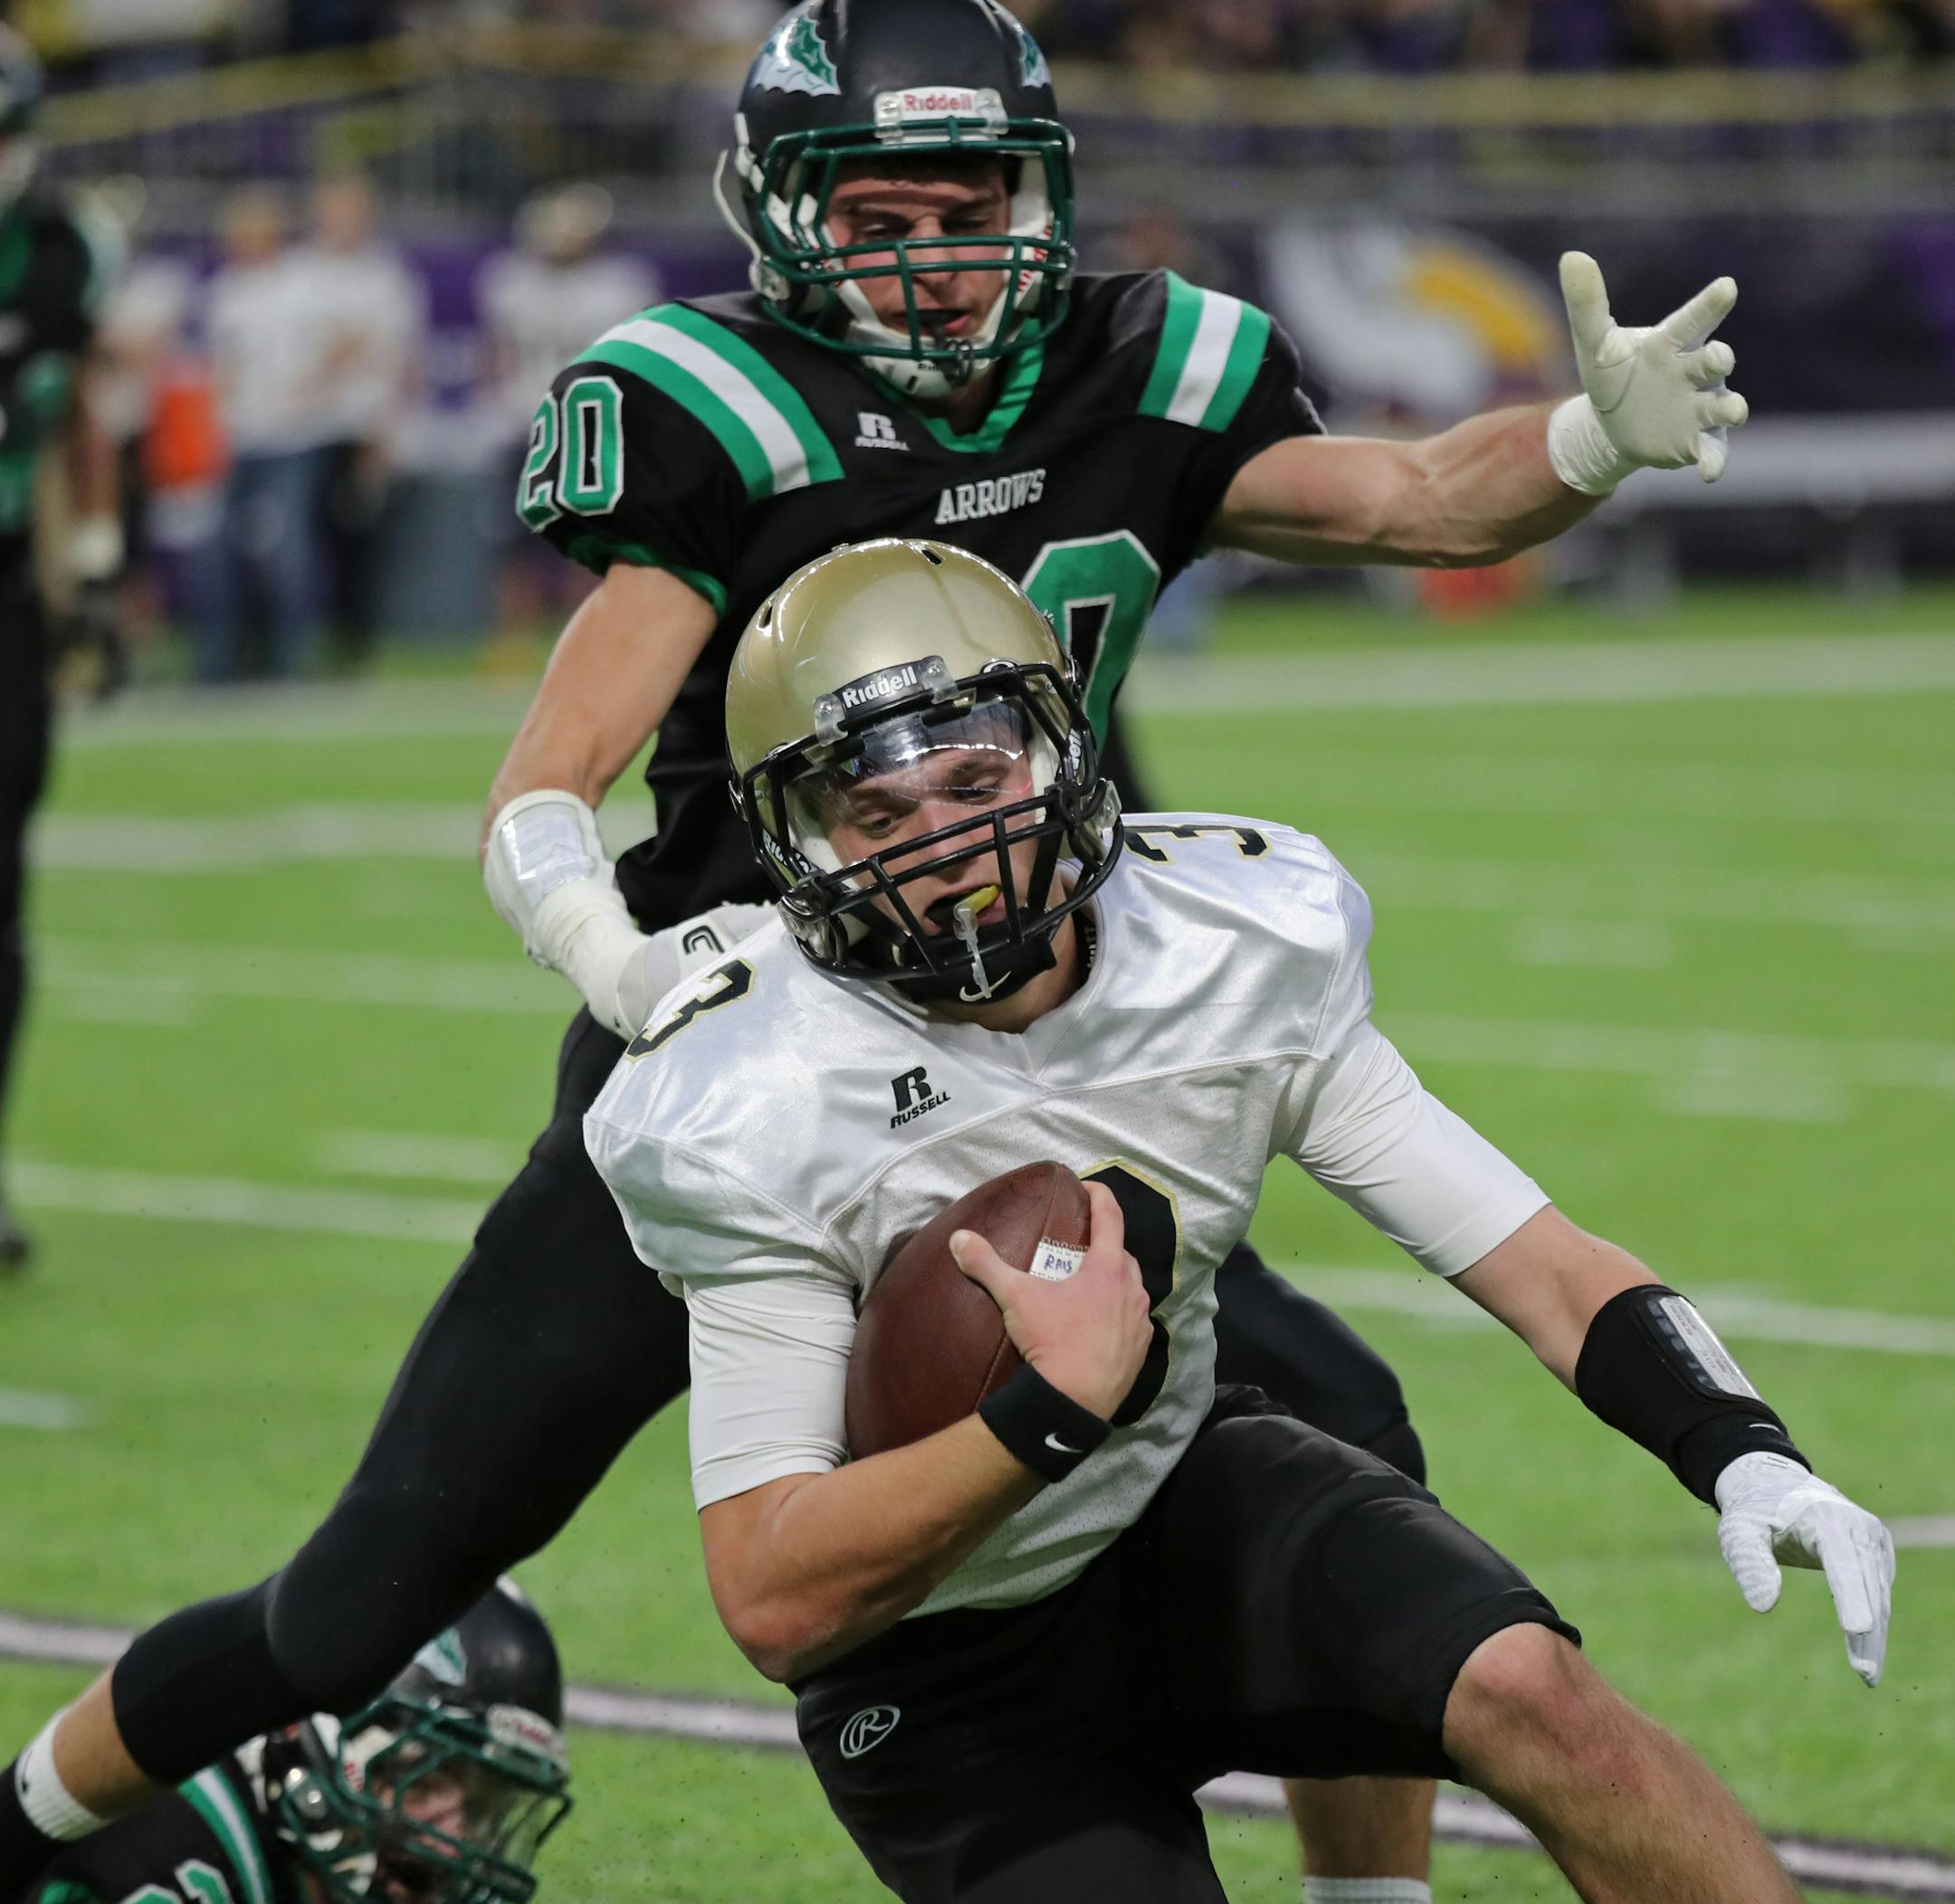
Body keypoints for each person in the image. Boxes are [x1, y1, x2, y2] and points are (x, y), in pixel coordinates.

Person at [0, 3, 1753, 1898]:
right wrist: (622, 967)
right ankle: (30, 1812)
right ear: (786, 217)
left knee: (1343, 1414)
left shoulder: (1139, 366)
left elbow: (1415, 496)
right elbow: (546, 787)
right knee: (352, 1604)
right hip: (747, 1078)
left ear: (1043, 190)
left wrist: (1587, 437)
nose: (939, 253)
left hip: (1027, 1057)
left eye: (972, 199)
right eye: (884, 213)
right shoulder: (717, 403)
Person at [581, 538, 1894, 1904]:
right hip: (945, 1650)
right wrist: (1047, 1406)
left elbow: (1542, 1265)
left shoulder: (1231, 939)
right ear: (798, 845)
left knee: (1541, 1694)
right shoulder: (746, 1092)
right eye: (883, 818)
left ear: (1058, 754)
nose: (951, 847)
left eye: (976, 782)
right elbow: (776, 1597)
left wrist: (1745, 1453)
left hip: (1186, 1486)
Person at [24, 1580, 573, 1904]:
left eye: (480, 1805)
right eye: (425, 1782)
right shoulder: (169, 1849)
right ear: (320, 1738)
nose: (458, 1841)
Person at [0, 25, 122, 1276]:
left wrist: (90, 565)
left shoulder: (59, 245)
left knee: (0, 898)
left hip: (2, 589)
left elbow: (78, 403)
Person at [288, 172, 424, 674]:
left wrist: (387, 431)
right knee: (302, 542)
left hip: (359, 426)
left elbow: (397, 358)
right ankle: (299, 644)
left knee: (358, 542)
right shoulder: (297, 272)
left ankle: (354, 644)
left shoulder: (385, 276)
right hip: (300, 428)